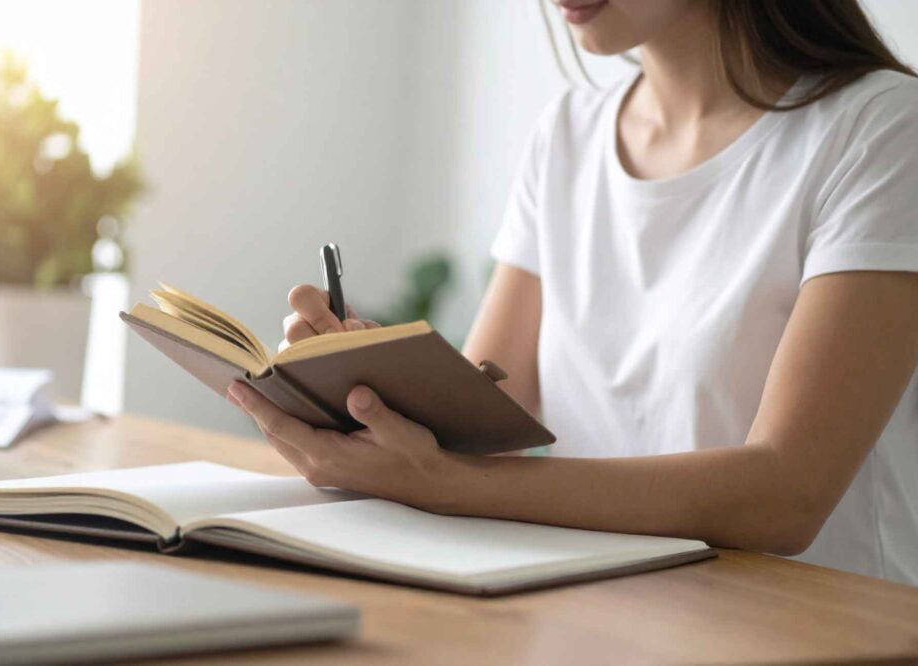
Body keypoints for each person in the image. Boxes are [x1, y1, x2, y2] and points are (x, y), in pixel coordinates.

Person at [225, 0, 918, 585]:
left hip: (821, 629)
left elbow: (785, 498)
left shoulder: (882, 130)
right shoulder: (569, 134)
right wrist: (364, 384)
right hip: (589, 607)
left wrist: (445, 483)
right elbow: (487, 417)